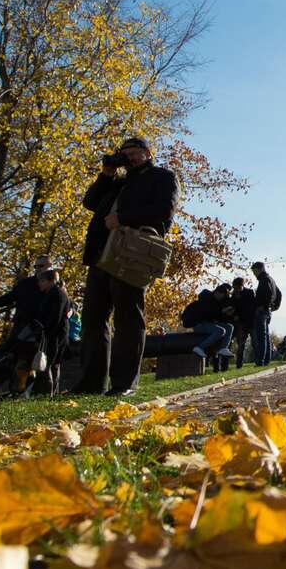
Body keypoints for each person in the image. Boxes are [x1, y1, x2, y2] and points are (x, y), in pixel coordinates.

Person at [72, 135, 178, 398]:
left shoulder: (163, 177)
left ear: (147, 153)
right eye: (124, 152)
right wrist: (106, 174)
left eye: (134, 151)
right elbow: (89, 203)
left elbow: (165, 212)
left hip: (132, 254)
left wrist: (123, 218)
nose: (128, 156)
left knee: (128, 318)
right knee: (93, 319)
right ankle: (92, 382)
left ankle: (124, 383)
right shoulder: (118, 182)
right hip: (101, 254)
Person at [0, 260, 71, 395]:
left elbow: (56, 316)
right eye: (35, 266)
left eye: (41, 266)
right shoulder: (26, 285)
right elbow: (11, 296)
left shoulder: (58, 292)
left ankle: (45, 395)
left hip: (46, 333)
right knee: (24, 361)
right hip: (28, 328)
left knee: (47, 364)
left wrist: (42, 332)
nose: (37, 269)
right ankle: (21, 392)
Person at [179, 287, 234, 366]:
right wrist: (221, 311)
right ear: (217, 293)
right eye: (222, 295)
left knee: (229, 327)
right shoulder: (206, 300)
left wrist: (225, 313)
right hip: (198, 324)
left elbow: (214, 317)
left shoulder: (215, 301)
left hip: (207, 323)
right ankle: (200, 347)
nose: (222, 298)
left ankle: (223, 348)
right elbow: (208, 314)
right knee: (220, 331)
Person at [250, 261, 280, 366]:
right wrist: (274, 307)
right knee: (265, 336)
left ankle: (260, 361)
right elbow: (279, 293)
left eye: (255, 272)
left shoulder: (264, 280)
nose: (254, 274)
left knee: (261, 337)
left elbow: (267, 294)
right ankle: (266, 360)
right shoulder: (271, 280)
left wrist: (264, 306)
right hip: (268, 311)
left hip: (262, 310)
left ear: (260, 269)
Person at [229, 277, 256, 367]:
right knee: (241, 344)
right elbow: (233, 307)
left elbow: (251, 308)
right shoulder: (234, 295)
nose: (235, 289)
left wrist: (239, 315)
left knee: (255, 342)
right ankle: (239, 363)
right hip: (241, 323)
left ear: (241, 286)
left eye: (236, 287)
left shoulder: (250, 293)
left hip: (250, 321)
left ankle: (258, 361)